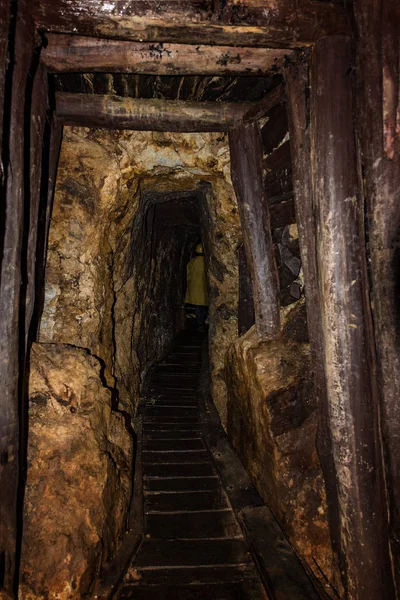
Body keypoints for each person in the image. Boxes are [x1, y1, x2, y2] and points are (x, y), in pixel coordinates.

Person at [185, 242, 209, 332]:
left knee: (198, 307)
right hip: (205, 288)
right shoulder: (207, 262)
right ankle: (205, 322)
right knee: (205, 307)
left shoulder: (192, 262)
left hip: (195, 289)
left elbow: (188, 275)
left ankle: (200, 324)